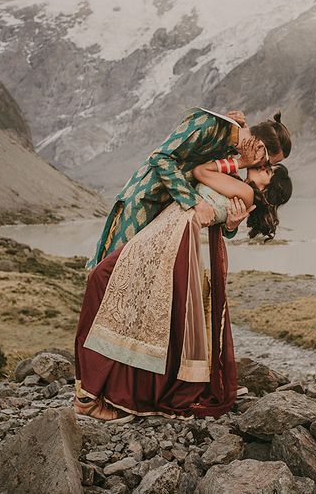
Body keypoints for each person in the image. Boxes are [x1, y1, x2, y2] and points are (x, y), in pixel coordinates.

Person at [74, 157, 293, 422]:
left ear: (268, 189)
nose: (262, 166)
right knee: (127, 298)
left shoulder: (245, 192)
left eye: (268, 172)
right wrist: (229, 224)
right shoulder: (242, 190)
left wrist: (237, 161)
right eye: (266, 165)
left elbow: (201, 171)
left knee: (111, 287)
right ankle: (101, 389)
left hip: (173, 234)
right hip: (168, 230)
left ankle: (94, 391)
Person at [86, 108, 292, 270]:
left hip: (166, 221)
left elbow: (217, 204)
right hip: (142, 205)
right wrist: (196, 203)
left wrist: (230, 226)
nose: (262, 167)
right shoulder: (207, 124)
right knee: (112, 273)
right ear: (259, 148)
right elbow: (160, 158)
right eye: (266, 161)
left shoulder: (232, 153)